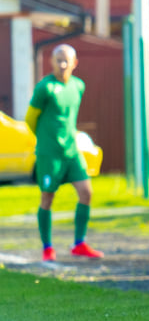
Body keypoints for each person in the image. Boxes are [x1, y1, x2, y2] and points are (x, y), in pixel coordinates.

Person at [25, 44, 102, 262]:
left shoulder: (78, 86)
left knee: (86, 192)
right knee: (47, 197)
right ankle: (47, 248)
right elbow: (30, 119)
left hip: (71, 150)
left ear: (75, 63)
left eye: (67, 60)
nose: (63, 64)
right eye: (58, 59)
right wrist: (46, 140)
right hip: (50, 153)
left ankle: (79, 243)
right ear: (52, 61)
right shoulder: (44, 88)